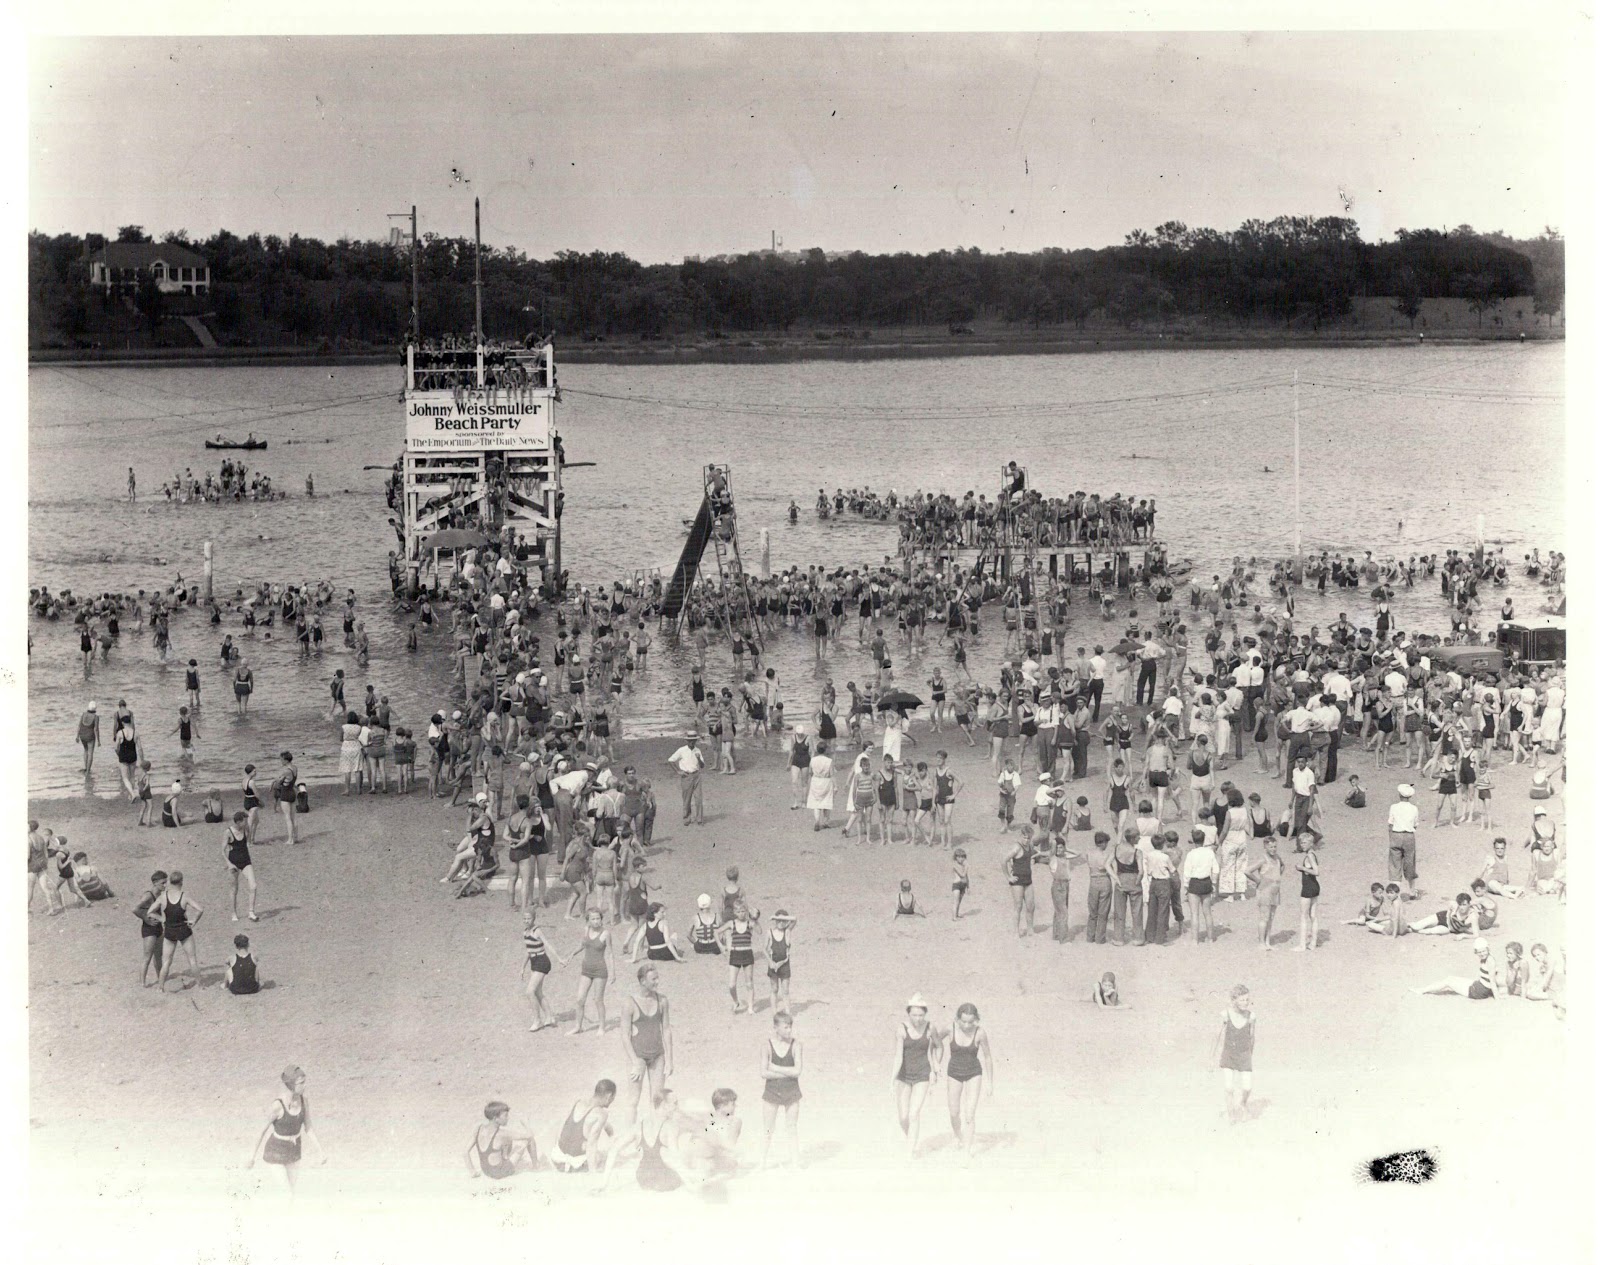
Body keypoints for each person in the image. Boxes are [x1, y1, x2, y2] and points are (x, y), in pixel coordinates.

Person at [248, 1065, 325, 1192]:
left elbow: (308, 1127)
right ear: (291, 1085)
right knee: (286, 1194)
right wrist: (251, 1157)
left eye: (304, 1082)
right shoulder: (277, 1105)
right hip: (275, 1152)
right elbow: (261, 1131)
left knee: (291, 1193)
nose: (305, 1085)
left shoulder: (304, 1101)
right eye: (301, 1083)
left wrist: (321, 1151)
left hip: (294, 1151)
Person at [892, 995, 942, 1159]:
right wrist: (892, 1078)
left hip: (922, 1074)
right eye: (914, 1015)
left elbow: (939, 1046)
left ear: (925, 1014)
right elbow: (898, 1055)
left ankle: (910, 1150)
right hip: (904, 1075)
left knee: (914, 1114)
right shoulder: (901, 1029)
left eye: (921, 1015)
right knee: (903, 1117)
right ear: (908, 1014)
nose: (918, 1019)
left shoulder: (930, 1028)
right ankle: (911, 1141)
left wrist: (936, 1067)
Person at [622, 964, 673, 1123]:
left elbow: (666, 1030)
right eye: (653, 979)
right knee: (633, 1101)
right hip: (638, 1056)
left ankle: (653, 1139)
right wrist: (635, 1061)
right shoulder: (630, 1003)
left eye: (657, 978)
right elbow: (625, 1034)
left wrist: (670, 1060)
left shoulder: (662, 1001)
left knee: (657, 1100)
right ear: (643, 981)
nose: (657, 982)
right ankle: (629, 1135)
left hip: (658, 1056)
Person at [944, 1002, 992, 1162]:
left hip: (974, 1073)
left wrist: (990, 1082)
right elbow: (933, 1040)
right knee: (954, 1112)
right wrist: (935, 1062)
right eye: (963, 1021)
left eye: (970, 1022)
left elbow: (987, 1057)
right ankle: (960, 1137)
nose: (966, 1025)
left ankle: (966, 1151)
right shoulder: (950, 1029)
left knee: (969, 1115)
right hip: (954, 1073)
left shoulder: (980, 1033)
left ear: (976, 1020)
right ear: (957, 1019)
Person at [758, 1010, 803, 1169]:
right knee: (768, 1129)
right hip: (772, 1092)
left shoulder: (796, 1045)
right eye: (785, 1027)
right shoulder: (767, 1045)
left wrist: (775, 1067)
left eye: (790, 1026)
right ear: (775, 1028)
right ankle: (762, 1162)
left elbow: (798, 1071)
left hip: (792, 1091)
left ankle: (795, 1162)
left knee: (792, 1128)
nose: (789, 1030)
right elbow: (763, 1073)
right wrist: (787, 1072)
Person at [561, 908, 615, 1035]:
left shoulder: (606, 933)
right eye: (593, 919)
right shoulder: (586, 930)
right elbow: (582, 945)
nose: (596, 921)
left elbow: (610, 954)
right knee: (580, 999)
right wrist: (570, 956)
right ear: (588, 921)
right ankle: (578, 1026)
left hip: (600, 971)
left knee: (598, 999)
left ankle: (602, 1027)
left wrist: (613, 972)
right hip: (586, 969)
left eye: (598, 918)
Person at [551, 1080, 619, 1174]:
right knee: (601, 1156)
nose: (612, 1101)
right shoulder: (601, 1114)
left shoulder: (578, 1102)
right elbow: (592, 1144)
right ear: (608, 1096)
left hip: (557, 1160)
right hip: (576, 1166)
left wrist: (611, 1133)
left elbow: (561, 1126)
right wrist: (593, 1172)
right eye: (613, 1098)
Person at [1213, 984, 1257, 1124]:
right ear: (1234, 1000)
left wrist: (1250, 1055)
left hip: (1244, 1054)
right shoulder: (1225, 1014)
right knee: (1229, 1087)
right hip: (1229, 1054)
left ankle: (1242, 1104)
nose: (1245, 1003)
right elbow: (1217, 1037)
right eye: (1242, 1000)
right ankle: (1231, 1115)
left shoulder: (1251, 1016)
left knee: (1247, 1087)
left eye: (1247, 1000)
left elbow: (1252, 1037)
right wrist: (1212, 1058)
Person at [155, 870, 202, 991]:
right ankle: (200, 986)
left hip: (170, 931)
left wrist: (162, 919)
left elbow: (150, 912)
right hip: (184, 930)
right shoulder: (184, 896)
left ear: (170, 882)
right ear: (181, 882)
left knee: (166, 962)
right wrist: (194, 921)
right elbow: (200, 910)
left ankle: (160, 988)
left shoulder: (163, 897)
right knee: (192, 960)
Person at [466, 1101, 537, 1180]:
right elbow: (530, 1135)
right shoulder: (503, 1134)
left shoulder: (479, 1128)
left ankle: (505, 1157)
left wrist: (472, 1171)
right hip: (501, 1173)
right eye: (505, 1116)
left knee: (507, 1141)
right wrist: (525, 1123)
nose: (508, 1118)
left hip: (486, 1171)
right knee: (529, 1140)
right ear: (495, 1118)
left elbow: (465, 1152)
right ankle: (535, 1166)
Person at [1413, 937, 1502, 999]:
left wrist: (1497, 999)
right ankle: (1423, 989)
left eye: (1484, 951)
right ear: (1476, 952)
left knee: (1448, 982)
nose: (1482, 954)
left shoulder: (1490, 961)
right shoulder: (1486, 958)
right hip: (1479, 986)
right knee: (1450, 978)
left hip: (1478, 992)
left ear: (1488, 949)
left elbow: (1493, 981)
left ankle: (1422, 990)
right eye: (1479, 952)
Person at [717, 902, 760, 1013]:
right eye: (739, 912)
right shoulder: (731, 923)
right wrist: (721, 946)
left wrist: (755, 919)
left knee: (749, 983)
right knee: (731, 985)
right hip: (735, 954)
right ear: (735, 912)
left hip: (747, 954)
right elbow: (716, 932)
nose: (741, 914)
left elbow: (759, 931)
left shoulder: (749, 923)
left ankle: (750, 1008)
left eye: (743, 911)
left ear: (746, 912)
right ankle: (736, 1001)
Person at [134, 871, 168, 985]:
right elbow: (135, 909)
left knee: (158, 956)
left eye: (166, 882)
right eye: (163, 883)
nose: (165, 885)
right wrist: (146, 919)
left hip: (158, 927)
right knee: (147, 956)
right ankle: (142, 983)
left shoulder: (160, 895)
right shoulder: (148, 895)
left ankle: (160, 978)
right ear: (155, 882)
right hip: (149, 928)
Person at [1386, 784, 1419, 900]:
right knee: (1410, 863)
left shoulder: (1394, 807)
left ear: (1399, 795)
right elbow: (1415, 824)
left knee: (1395, 864)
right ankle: (1412, 891)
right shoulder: (1414, 808)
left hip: (1396, 834)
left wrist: (1392, 837)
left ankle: (1396, 893)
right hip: (1409, 836)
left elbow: (1390, 823)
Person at [225, 810, 259, 922]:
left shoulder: (246, 829)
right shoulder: (228, 832)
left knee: (253, 885)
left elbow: (248, 840)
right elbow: (222, 851)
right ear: (238, 822)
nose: (247, 823)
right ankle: (233, 913)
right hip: (233, 862)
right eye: (244, 821)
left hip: (245, 860)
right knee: (234, 889)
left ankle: (251, 912)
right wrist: (229, 864)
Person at [667, 732, 705, 826]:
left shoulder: (698, 750)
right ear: (687, 741)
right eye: (690, 741)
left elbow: (702, 765)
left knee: (699, 798)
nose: (692, 742)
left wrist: (699, 758)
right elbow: (670, 760)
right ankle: (687, 818)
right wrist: (678, 771)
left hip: (696, 775)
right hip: (686, 776)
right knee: (687, 798)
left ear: (696, 740)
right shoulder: (682, 750)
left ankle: (699, 819)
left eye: (694, 740)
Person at [1003, 832, 1036, 937]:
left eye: (1028, 838)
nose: (1026, 840)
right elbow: (1004, 860)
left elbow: (1033, 854)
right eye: (1024, 837)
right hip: (1017, 881)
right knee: (1018, 906)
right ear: (1021, 836)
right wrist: (1009, 877)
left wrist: (1036, 858)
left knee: (1031, 906)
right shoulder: (1016, 847)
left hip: (1028, 880)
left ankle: (1030, 930)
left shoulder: (1030, 846)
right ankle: (1015, 931)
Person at [764, 909, 796, 1011]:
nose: (780, 923)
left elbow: (795, 919)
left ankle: (788, 1012)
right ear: (775, 921)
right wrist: (770, 962)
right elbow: (764, 949)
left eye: (783, 921)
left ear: (786, 922)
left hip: (784, 965)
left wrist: (778, 917)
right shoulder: (770, 932)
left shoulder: (787, 932)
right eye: (778, 920)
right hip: (773, 965)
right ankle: (774, 1012)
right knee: (774, 989)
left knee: (785, 990)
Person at [1293, 834, 1320, 951]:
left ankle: (1302, 945)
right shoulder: (1313, 854)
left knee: (1303, 917)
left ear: (1310, 844)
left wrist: (1302, 868)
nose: (1302, 845)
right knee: (1313, 916)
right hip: (1315, 887)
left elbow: (1316, 871)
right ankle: (1313, 943)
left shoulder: (1309, 856)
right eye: (1301, 843)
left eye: (1304, 843)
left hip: (1308, 887)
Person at [806, 740, 835, 831]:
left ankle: (817, 820)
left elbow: (810, 772)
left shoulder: (813, 760)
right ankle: (826, 822)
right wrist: (836, 785)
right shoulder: (829, 761)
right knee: (826, 801)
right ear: (825, 750)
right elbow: (832, 774)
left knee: (816, 803)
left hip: (815, 781)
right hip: (826, 781)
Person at [271, 751, 299, 845]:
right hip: (292, 792)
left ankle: (290, 839)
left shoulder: (286, 770)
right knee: (293, 817)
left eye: (282, 759)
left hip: (285, 793)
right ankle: (295, 837)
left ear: (286, 760)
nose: (281, 761)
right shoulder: (295, 768)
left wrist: (275, 779)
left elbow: (279, 782)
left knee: (287, 817)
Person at [77, 701, 100, 774]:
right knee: (90, 753)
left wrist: (77, 736)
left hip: (82, 735)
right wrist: (99, 741)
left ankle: (86, 767)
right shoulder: (96, 717)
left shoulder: (83, 714)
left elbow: (79, 726)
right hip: (90, 736)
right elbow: (96, 729)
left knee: (85, 750)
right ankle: (88, 771)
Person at [950, 848, 970, 918]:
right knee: (956, 901)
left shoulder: (963, 866)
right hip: (957, 885)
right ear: (956, 857)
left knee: (959, 902)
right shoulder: (955, 865)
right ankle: (954, 917)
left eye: (962, 857)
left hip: (963, 885)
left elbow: (966, 877)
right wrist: (966, 868)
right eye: (959, 857)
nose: (961, 859)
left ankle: (957, 915)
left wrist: (968, 887)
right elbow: (962, 875)